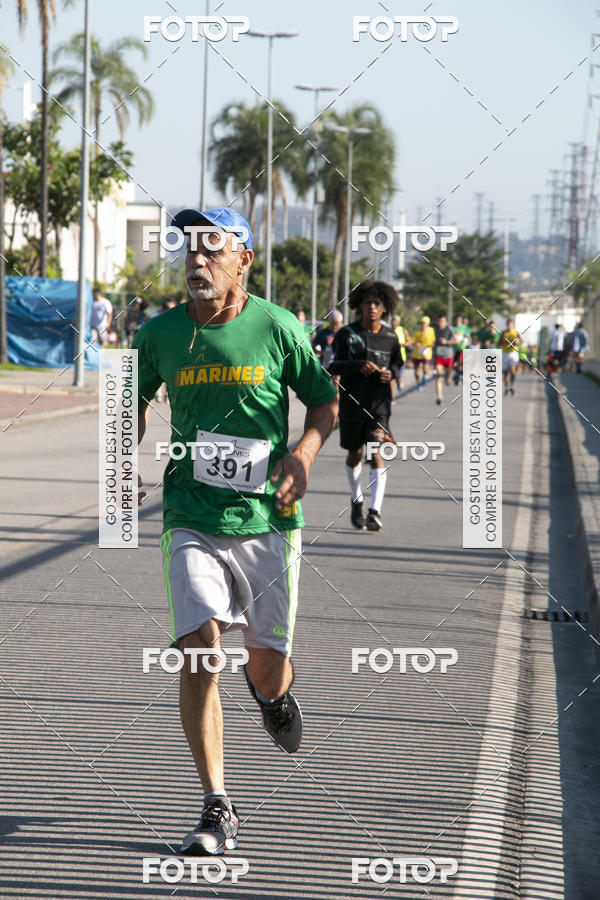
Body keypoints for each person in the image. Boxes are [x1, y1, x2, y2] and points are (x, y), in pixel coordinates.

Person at [133, 206, 338, 856]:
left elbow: (324, 401)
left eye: (212, 250)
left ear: (243, 259)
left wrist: (302, 455)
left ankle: (271, 694)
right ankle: (216, 804)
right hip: (191, 514)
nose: (197, 261)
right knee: (198, 650)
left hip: (268, 519)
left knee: (267, 663)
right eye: (190, 250)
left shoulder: (277, 327)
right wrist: (120, 456)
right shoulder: (158, 334)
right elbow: (129, 402)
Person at [328, 280, 402, 532]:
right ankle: (357, 498)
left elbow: (397, 365)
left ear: (385, 308)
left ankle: (375, 512)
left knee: (375, 449)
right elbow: (332, 366)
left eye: (377, 303)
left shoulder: (391, 337)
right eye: (367, 302)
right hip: (351, 405)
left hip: (380, 407)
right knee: (355, 454)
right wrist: (357, 365)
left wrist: (389, 374)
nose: (372, 307)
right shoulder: (346, 334)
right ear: (359, 306)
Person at [433, 314, 457, 405]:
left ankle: (447, 379)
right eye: (439, 321)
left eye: (442, 321)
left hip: (448, 356)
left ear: (446, 322)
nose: (441, 323)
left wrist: (446, 342)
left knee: (447, 376)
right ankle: (439, 397)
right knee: (439, 375)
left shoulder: (449, 329)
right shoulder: (434, 330)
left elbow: (457, 341)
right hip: (438, 355)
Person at [411, 315, 436, 388]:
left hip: (427, 352)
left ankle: (425, 377)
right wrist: (416, 343)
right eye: (422, 323)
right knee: (416, 372)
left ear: (428, 324)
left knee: (425, 369)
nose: (423, 324)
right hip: (417, 353)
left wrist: (432, 344)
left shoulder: (431, 330)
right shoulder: (417, 333)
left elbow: (434, 339)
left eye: (424, 323)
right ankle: (418, 382)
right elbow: (412, 341)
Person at [498, 318, 521, 395]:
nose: (509, 326)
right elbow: (499, 344)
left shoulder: (516, 333)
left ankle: (512, 386)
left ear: (513, 325)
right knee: (506, 373)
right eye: (508, 325)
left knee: (513, 371)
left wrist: (517, 342)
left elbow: (521, 341)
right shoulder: (504, 333)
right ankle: (507, 387)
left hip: (513, 353)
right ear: (507, 325)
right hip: (505, 353)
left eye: (511, 325)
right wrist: (503, 341)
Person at [391, 314, 411, 391]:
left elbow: (410, 341)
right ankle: (391, 399)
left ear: (399, 322)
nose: (393, 322)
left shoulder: (403, 330)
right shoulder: (388, 330)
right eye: (392, 320)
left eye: (395, 321)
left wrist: (403, 344)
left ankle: (399, 382)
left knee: (398, 375)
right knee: (391, 378)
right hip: (391, 358)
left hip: (401, 357)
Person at [452, 314, 471, 385]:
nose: (458, 321)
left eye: (459, 320)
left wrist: (466, 337)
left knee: (463, 363)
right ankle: (457, 374)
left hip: (463, 348)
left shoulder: (464, 327)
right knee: (454, 364)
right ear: (455, 320)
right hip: (455, 348)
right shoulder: (452, 328)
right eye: (457, 320)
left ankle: (461, 376)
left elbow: (468, 336)